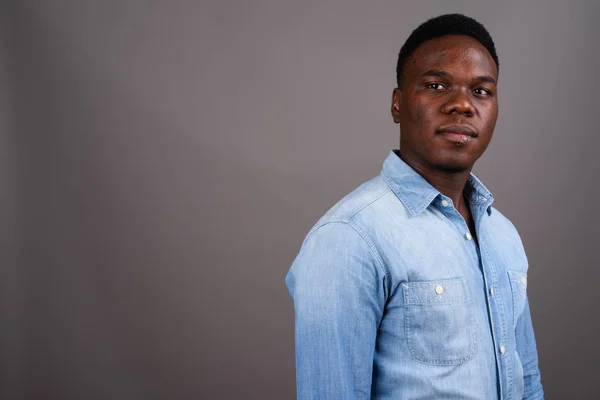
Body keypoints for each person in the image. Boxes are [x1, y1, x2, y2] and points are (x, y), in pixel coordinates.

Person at [285, 13, 544, 399]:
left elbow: (527, 384)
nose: (462, 105)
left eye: (481, 91)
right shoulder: (349, 238)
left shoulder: (503, 235)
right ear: (397, 104)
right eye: (437, 85)